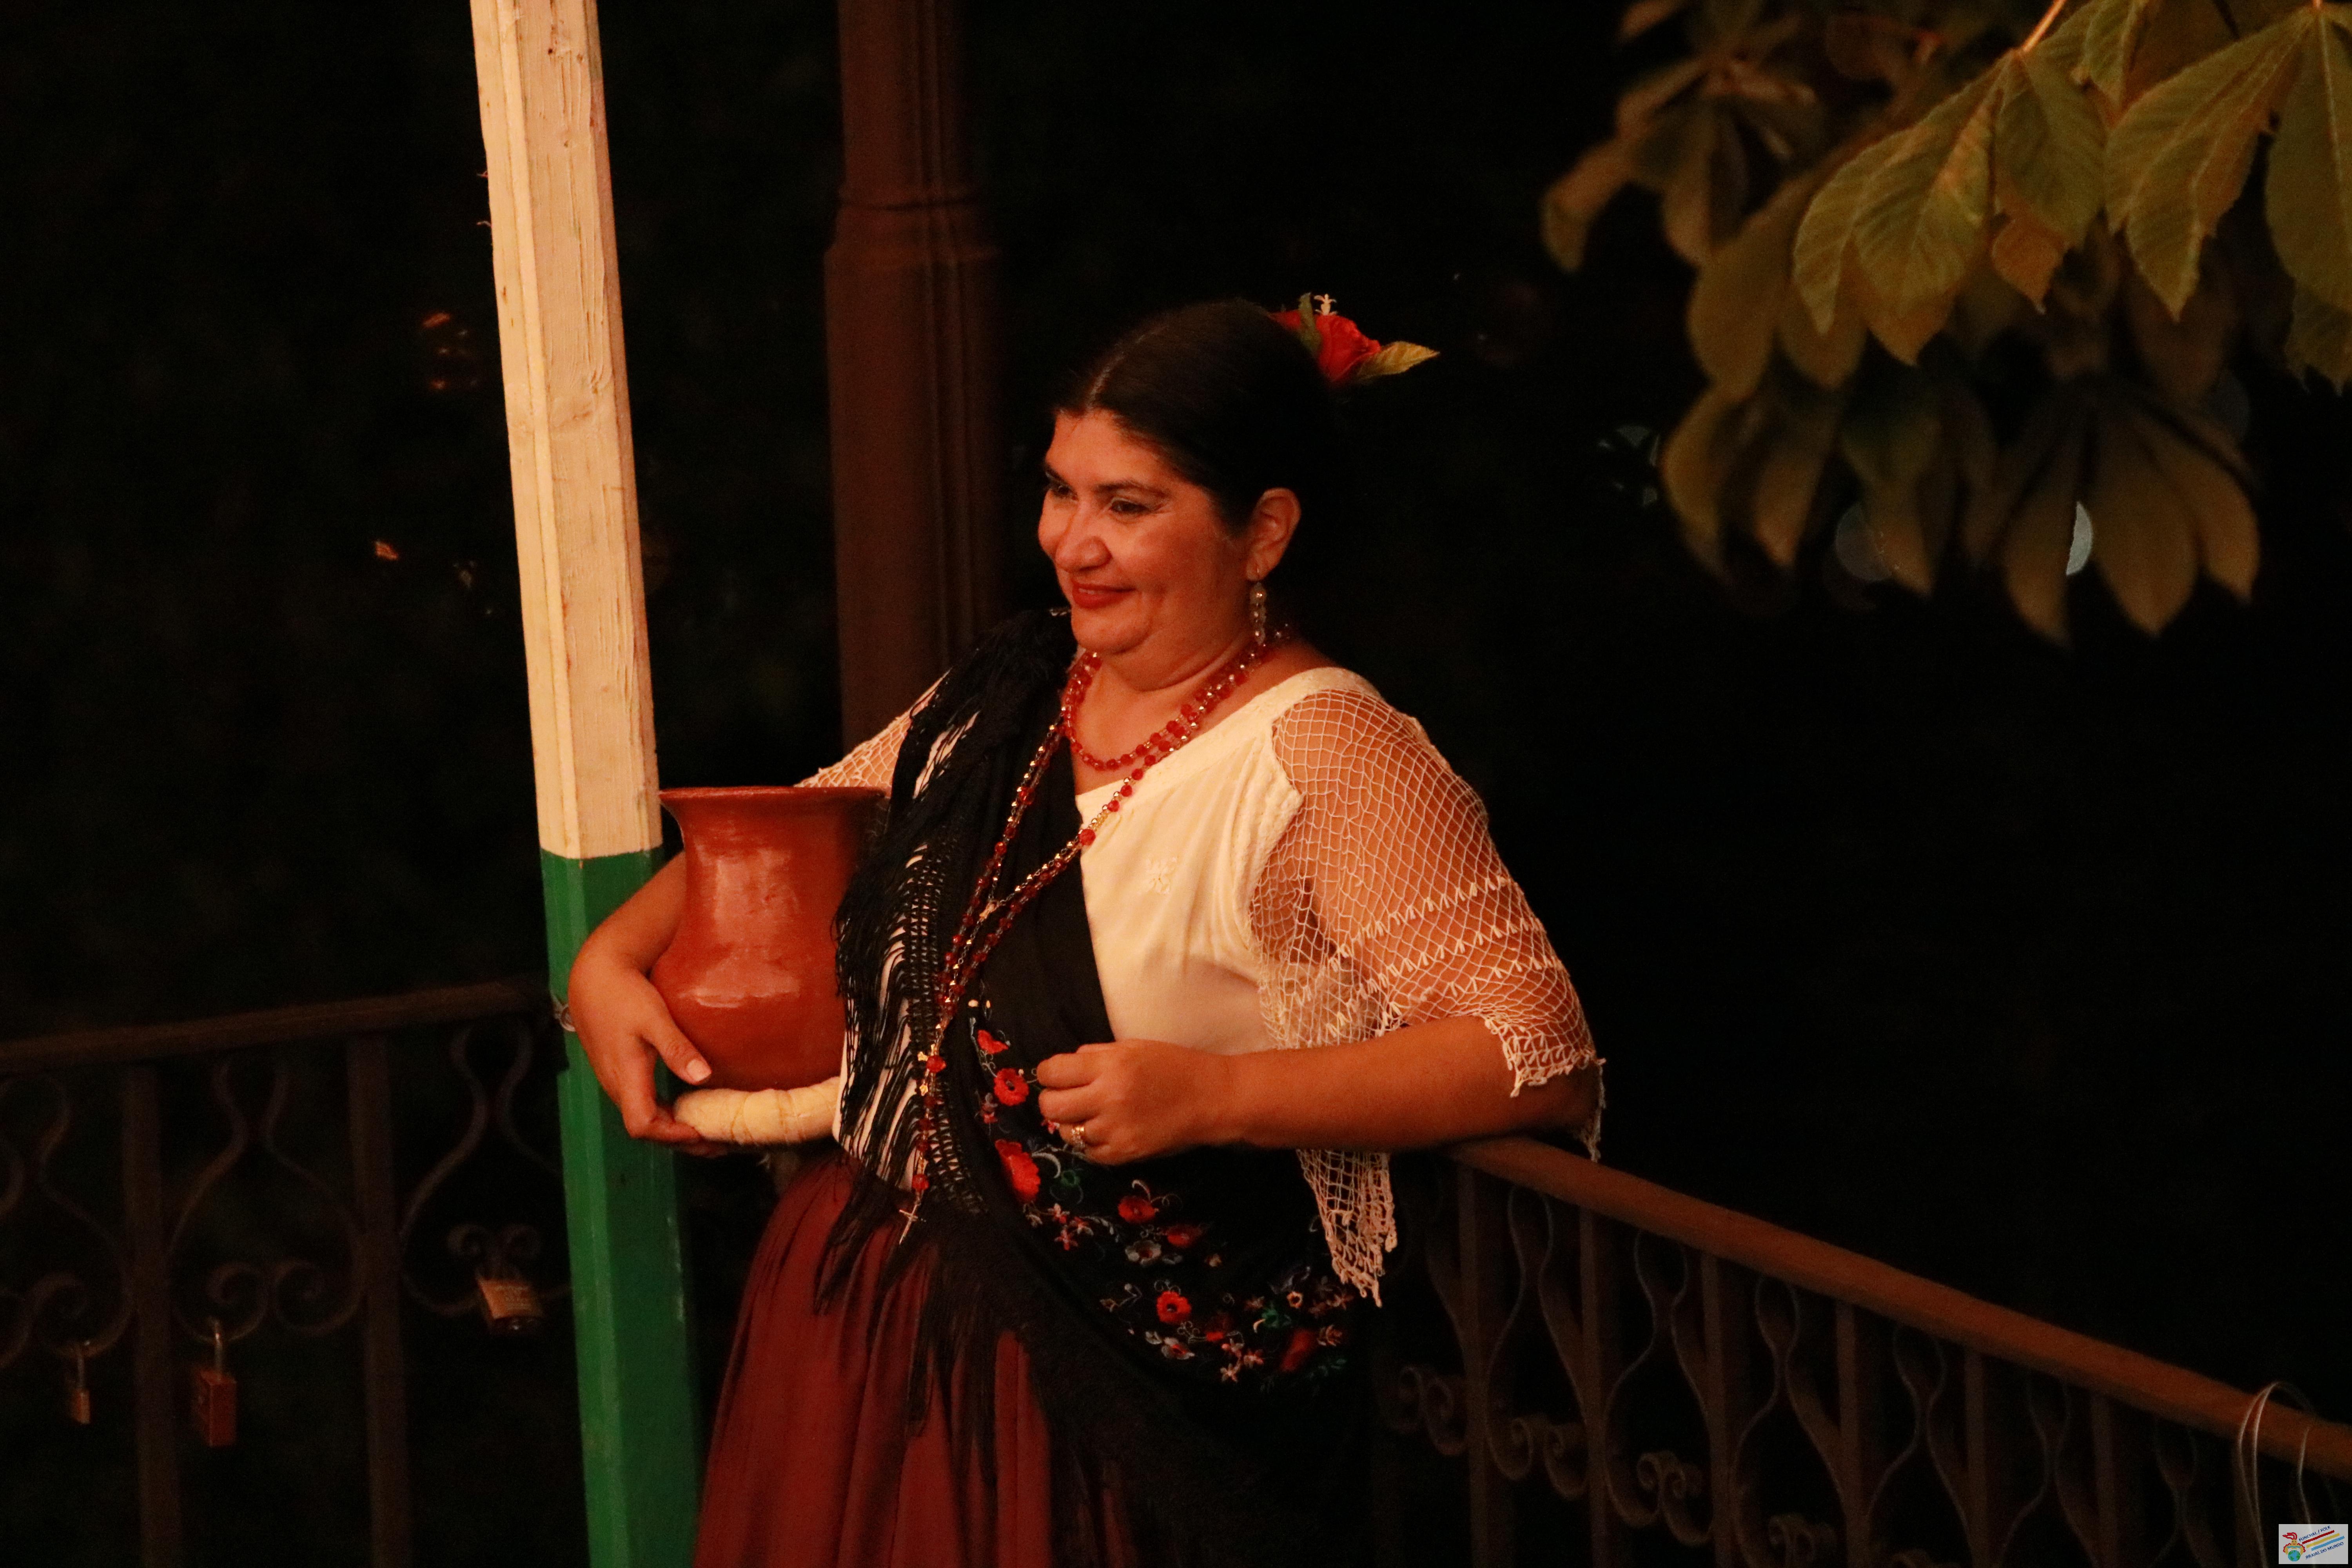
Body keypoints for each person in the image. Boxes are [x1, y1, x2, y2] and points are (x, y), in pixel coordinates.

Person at [566, 298, 1602, 1568]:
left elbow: (1535, 1052)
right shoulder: (1011, 691)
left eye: (1130, 504)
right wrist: (608, 959)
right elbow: (797, 831)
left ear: (1265, 530)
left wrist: (1218, 1095)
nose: (1073, 542)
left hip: (1091, 1392)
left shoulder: (1329, 751)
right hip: (854, 1321)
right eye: (1061, 492)